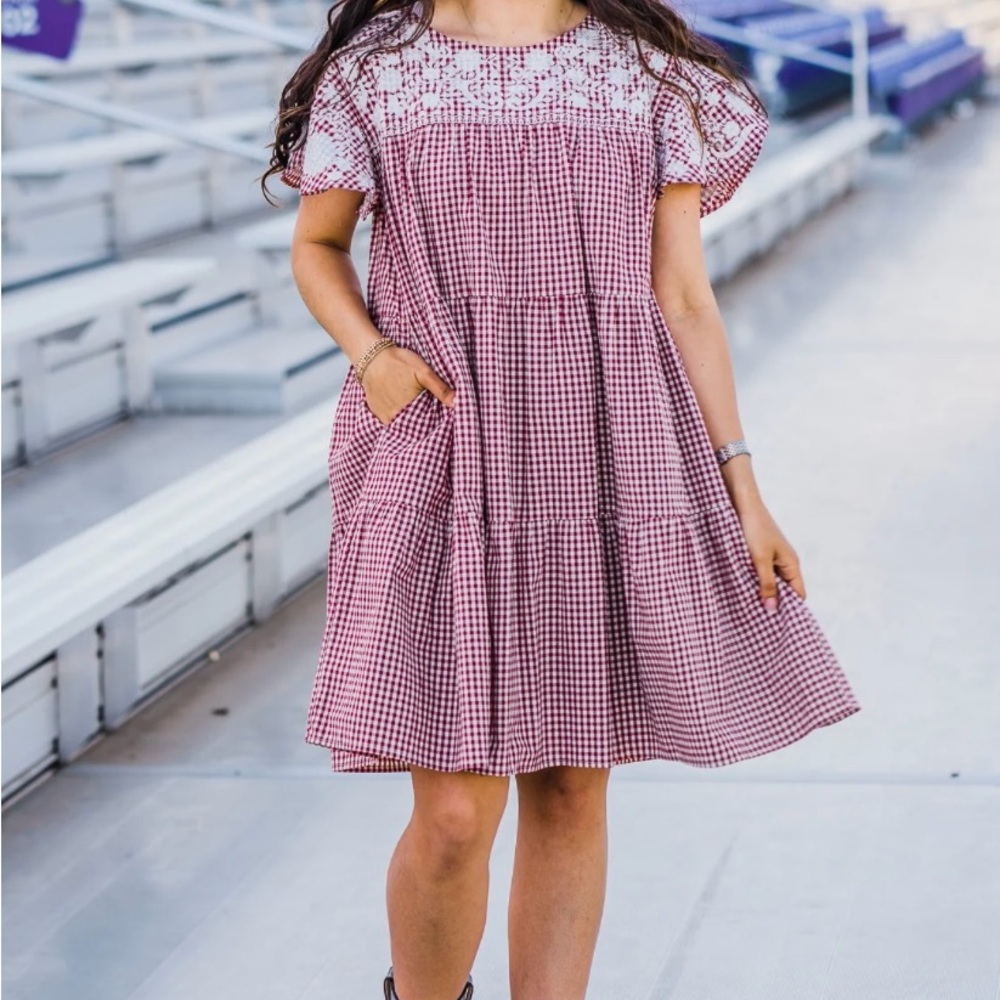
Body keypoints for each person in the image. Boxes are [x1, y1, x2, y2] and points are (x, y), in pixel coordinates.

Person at [263, 1, 861, 997]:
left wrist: (743, 485)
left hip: (607, 440)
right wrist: (370, 354)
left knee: (572, 785)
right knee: (454, 813)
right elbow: (316, 245)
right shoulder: (378, 68)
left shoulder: (644, 70)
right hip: (441, 438)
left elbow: (681, 295)